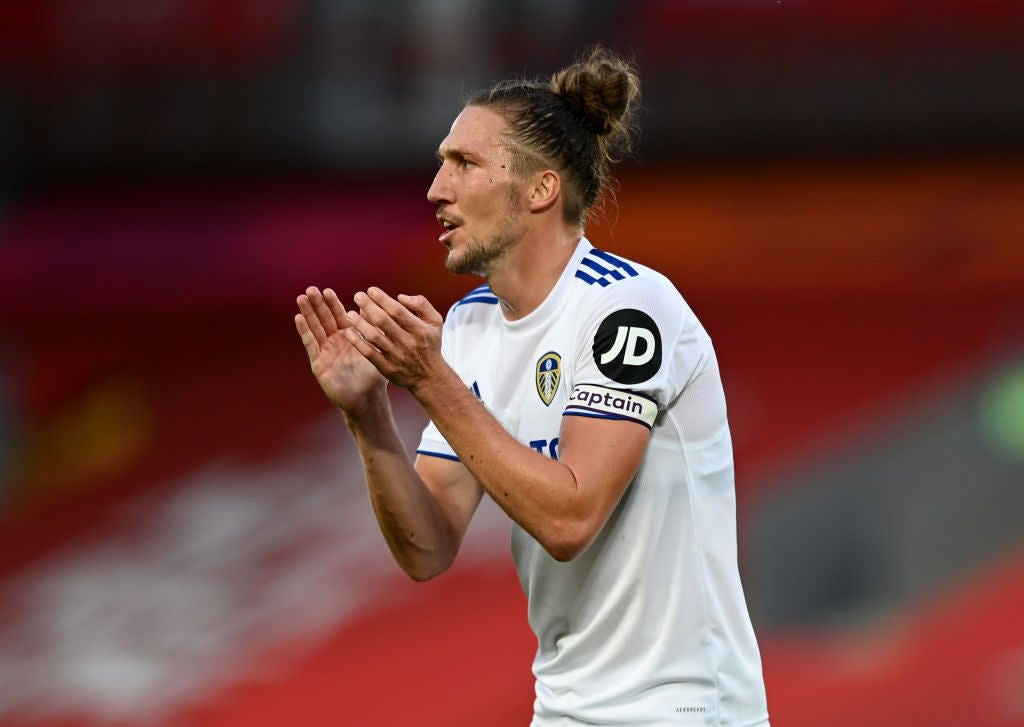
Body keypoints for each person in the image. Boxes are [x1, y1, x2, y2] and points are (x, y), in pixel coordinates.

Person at [295, 47, 769, 727]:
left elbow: (569, 519)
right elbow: (427, 548)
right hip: (565, 709)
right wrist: (369, 417)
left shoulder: (627, 310)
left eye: (464, 164)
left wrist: (430, 380)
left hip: (684, 706)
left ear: (540, 189)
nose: (436, 189)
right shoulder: (470, 328)